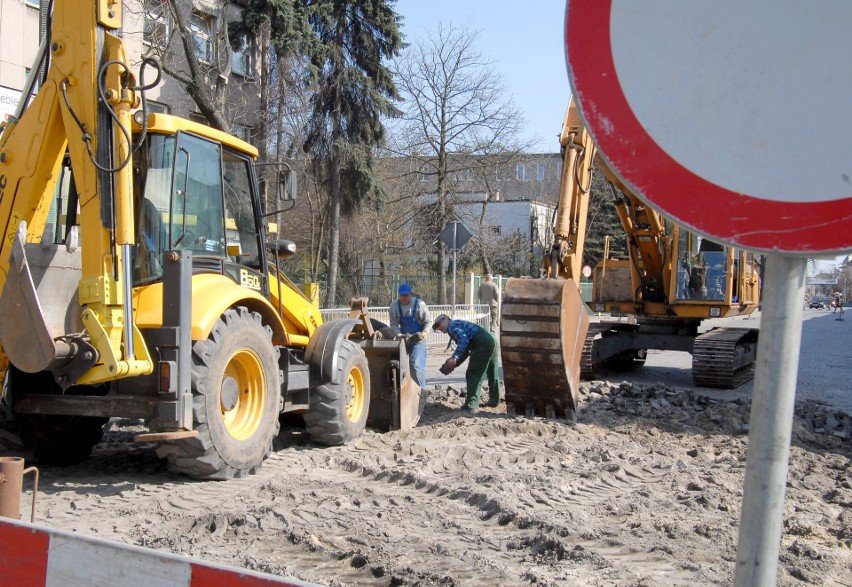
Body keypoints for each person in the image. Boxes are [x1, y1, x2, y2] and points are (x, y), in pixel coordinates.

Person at [432, 314, 501, 412]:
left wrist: (454, 358)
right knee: (492, 372)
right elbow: (466, 349)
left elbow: (464, 340)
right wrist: (455, 363)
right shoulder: (457, 325)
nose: (439, 328)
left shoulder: (452, 326)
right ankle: (494, 400)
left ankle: (471, 405)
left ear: (446, 319)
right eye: (436, 327)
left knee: (473, 373)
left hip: (482, 342)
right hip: (491, 339)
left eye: (439, 324)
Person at [389, 283, 430, 387]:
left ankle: (420, 392)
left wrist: (424, 334)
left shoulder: (419, 305)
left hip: (418, 339)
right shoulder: (394, 306)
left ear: (411, 294)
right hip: (404, 338)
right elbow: (393, 324)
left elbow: (428, 322)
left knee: (416, 366)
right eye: (401, 295)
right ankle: (401, 389)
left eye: (406, 295)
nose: (403, 298)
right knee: (394, 363)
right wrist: (398, 334)